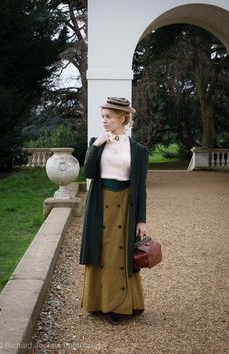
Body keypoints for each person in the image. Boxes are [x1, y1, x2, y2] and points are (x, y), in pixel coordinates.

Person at [79, 97, 149, 324]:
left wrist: (141, 219)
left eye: (108, 116)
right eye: (103, 116)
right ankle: (99, 303)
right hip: (100, 204)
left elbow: (141, 188)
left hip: (126, 204)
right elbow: (88, 173)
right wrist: (96, 146)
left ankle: (123, 304)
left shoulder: (138, 150)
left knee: (121, 252)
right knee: (102, 251)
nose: (104, 121)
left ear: (122, 118)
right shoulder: (97, 143)